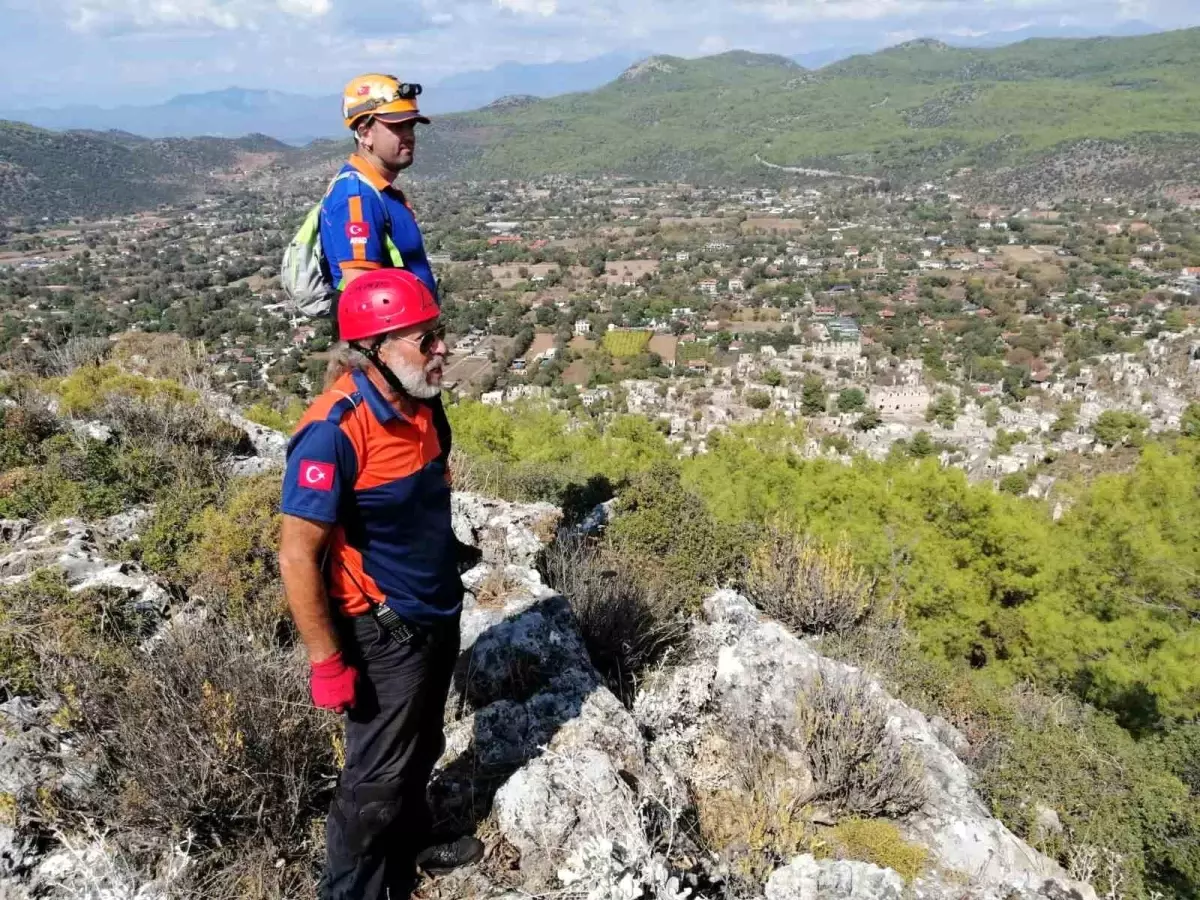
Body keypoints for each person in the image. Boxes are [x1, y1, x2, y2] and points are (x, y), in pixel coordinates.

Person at [278, 269, 483, 900]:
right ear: (374, 351)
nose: (441, 348)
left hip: (435, 605)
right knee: (373, 782)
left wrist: (443, 552)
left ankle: (413, 845)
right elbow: (295, 556)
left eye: (439, 333)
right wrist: (326, 660)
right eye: (426, 339)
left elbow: (423, 495)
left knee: (423, 743)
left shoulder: (422, 402)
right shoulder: (334, 431)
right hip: (384, 628)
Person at [319, 72, 452, 469]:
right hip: (389, 362)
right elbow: (362, 294)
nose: (408, 134)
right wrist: (392, 367)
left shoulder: (383, 191)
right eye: (396, 126)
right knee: (403, 456)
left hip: (406, 353)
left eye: (410, 124)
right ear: (364, 131)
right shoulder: (357, 196)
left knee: (430, 447)